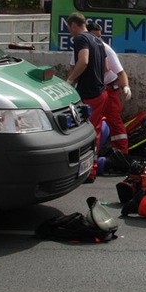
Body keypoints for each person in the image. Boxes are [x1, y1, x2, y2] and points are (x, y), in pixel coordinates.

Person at [64, 12, 107, 179]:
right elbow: (105, 67)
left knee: (86, 134)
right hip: (100, 92)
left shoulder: (81, 39)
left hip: (90, 93)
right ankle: (91, 168)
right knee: (93, 131)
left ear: (74, 25)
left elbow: (83, 61)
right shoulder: (98, 40)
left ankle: (90, 171)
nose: (70, 32)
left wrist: (71, 80)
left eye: (70, 29)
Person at [87, 19, 131, 155]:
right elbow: (75, 67)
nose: (98, 39)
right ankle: (92, 153)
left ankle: (122, 153)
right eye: (95, 36)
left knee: (115, 121)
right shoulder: (82, 47)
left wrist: (126, 87)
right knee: (92, 123)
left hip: (109, 89)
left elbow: (120, 72)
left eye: (99, 36)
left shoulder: (106, 49)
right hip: (93, 90)